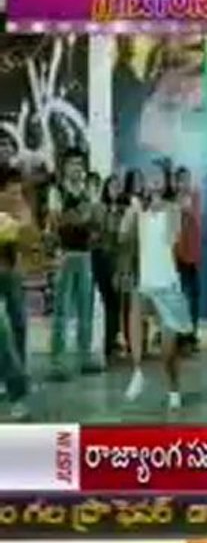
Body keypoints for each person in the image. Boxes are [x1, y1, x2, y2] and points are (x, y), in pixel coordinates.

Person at [122, 160, 193, 410]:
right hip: (146, 282)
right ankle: (138, 372)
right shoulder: (138, 208)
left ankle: (174, 387)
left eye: (158, 176)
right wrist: (133, 213)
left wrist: (157, 211)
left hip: (168, 284)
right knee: (134, 317)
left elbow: (172, 239)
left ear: (165, 181)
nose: (153, 180)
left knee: (167, 351)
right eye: (149, 176)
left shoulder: (173, 209)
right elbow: (123, 235)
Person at [46, 147, 102, 380]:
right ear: (64, 167)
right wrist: (82, 217)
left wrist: (82, 218)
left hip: (85, 255)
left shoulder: (89, 191)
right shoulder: (56, 191)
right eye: (72, 164)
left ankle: (85, 356)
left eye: (80, 164)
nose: (77, 168)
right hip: (65, 255)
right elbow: (58, 222)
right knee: (61, 310)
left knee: (85, 308)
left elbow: (96, 222)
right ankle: (58, 361)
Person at [0, 164, 38, 420]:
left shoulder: (20, 206)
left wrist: (21, 224)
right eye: (12, 193)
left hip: (10, 270)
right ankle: (16, 391)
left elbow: (30, 235)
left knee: (18, 324)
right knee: (2, 332)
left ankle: (18, 378)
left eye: (19, 192)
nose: (17, 197)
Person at [93, 173, 126, 364]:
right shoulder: (99, 208)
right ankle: (105, 344)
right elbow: (97, 233)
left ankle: (111, 341)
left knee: (115, 301)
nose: (115, 190)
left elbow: (122, 235)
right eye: (112, 186)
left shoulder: (124, 210)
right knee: (106, 300)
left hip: (118, 258)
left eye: (118, 186)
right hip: (100, 257)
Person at [173, 166, 202, 353]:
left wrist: (187, 208)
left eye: (187, 179)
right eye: (181, 179)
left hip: (194, 255)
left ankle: (192, 334)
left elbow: (197, 220)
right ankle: (181, 335)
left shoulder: (195, 197)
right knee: (182, 296)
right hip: (178, 255)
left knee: (195, 295)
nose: (184, 183)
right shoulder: (173, 200)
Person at [118, 169, 145, 358]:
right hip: (127, 259)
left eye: (140, 180)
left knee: (141, 302)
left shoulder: (146, 202)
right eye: (135, 180)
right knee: (127, 301)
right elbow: (121, 234)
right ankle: (128, 341)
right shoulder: (124, 203)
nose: (138, 184)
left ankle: (141, 340)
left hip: (143, 258)